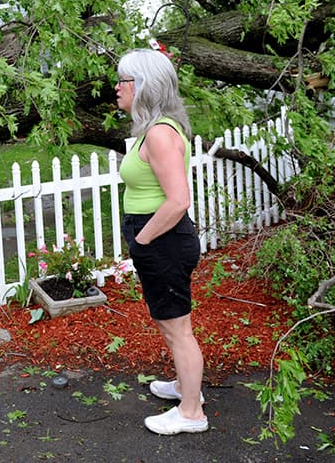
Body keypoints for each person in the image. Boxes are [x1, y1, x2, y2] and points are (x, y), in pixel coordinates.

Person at [115, 48, 207, 435]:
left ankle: (191, 412)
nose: (117, 88)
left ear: (143, 85)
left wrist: (142, 240)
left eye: (123, 80)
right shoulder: (151, 130)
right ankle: (186, 388)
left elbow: (178, 200)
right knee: (171, 324)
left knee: (177, 329)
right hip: (159, 240)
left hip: (164, 241)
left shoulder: (159, 133)